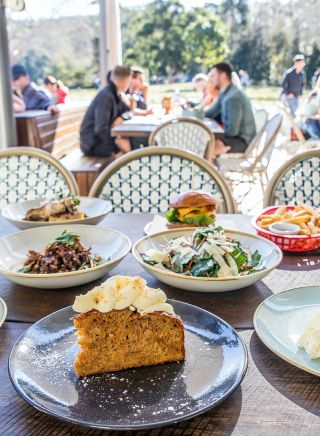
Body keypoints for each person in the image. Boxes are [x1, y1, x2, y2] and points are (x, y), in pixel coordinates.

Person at [80, 65, 133, 158]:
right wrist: (116, 145)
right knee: (131, 147)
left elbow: (129, 112)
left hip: (101, 140)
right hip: (93, 144)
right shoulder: (106, 96)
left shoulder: (115, 94)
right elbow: (100, 129)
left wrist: (121, 117)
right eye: (128, 82)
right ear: (124, 81)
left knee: (130, 144)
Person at [205, 62, 256, 154]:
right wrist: (192, 114)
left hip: (242, 141)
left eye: (213, 76)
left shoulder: (233, 97)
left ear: (223, 76)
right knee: (205, 141)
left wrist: (214, 134)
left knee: (207, 146)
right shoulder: (224, 93)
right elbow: (210, 113)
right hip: (234, 137)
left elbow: (232, 132)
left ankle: (207, 168)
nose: (210, 79)